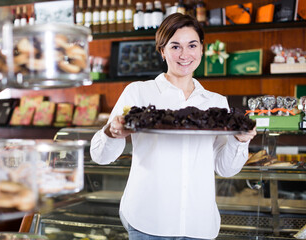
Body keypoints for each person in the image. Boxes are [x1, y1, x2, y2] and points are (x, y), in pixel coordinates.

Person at [90, 13, 257, 240]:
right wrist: (112, 132)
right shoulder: (138, 92)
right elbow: (100, 156)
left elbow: (225, 168)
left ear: (201, 49)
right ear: (162, 51)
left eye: (192, 45)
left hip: (200, 225)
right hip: (147, 222)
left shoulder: (216, 102)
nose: (185, 54)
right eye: (175, 46)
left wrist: (241, 140)